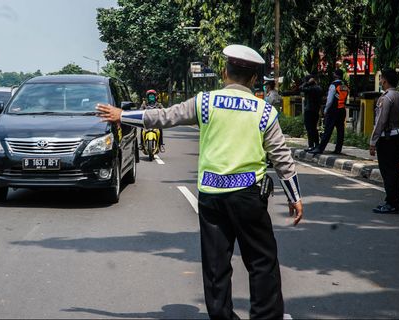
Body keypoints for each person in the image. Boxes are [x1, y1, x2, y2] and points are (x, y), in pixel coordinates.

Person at [97, 44, 303, 320]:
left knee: (216, 266)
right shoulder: (263, 111)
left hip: (212, 196)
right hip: (248, 197)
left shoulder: (205, 102)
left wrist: (122, 115)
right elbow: (282, 157)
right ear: (254, 79)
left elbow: (165, 117)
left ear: (224, 72)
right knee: (262, 262)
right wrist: (294, 196)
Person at [369, 69, 399, 214]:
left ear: (384, 80)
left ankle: (391, 203)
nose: (380, 82)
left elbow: (380, 121)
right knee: (395, 170)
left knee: (387, 171)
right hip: (397, 137)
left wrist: (373, 141)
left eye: (381, 80)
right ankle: (395, 201)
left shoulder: (385, 98)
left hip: (386, 138)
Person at [309, 69, 349, 155]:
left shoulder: (333, 85)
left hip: (333, 110)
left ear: (336, 75)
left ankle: (320, 148)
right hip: (342, 110)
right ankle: (338, 149)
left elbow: (330, 100)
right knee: (340, 131)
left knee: (328, 130)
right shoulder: (345, 86)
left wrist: (326, 110)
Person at [299, 75, 323, 151]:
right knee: (314, 128)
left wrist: (307, 83)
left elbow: (301, 88)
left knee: (309, 129)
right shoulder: (319, 88)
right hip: (316, 110)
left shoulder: (310, 88)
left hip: (309, 110)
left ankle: (311, 145)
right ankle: (317, 144)